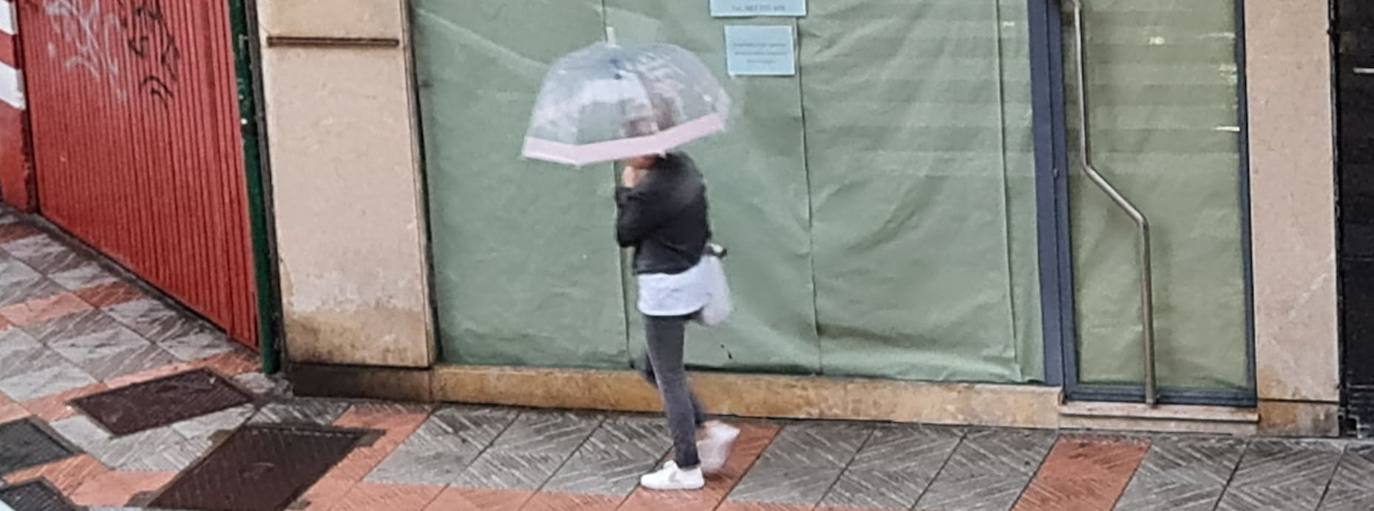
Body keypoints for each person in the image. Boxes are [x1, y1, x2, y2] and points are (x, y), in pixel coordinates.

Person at [617, 151, 740, 491]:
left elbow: (625, 232)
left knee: (668, 377)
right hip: (692, 278)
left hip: (664, 291)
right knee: (651, 366)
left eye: (631, 145)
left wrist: (628, 190)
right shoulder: (684, 166)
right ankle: (710, 428)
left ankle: (687, 467)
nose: (624, 153)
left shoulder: (650, 189)